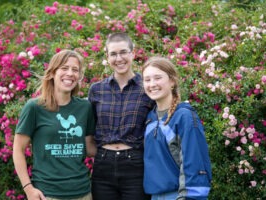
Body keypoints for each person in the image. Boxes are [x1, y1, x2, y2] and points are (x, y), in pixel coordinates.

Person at [13, 49, 97, 200]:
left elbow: (89, 148)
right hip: (47, 194)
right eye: (64, 68)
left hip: (83, 193)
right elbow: (18, 149)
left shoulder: (85, 107)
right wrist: (28, 189)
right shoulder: (35, 107)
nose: (70, 73)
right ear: (52, 73)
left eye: (75, 70)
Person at [88, 32, 155, 200]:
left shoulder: (146, 88)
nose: (119, 58)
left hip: (135, 165)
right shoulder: (96, 90)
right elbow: (90, 129)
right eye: (113, 54)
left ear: (132, 53)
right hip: (103, 165)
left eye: (123, 52)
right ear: (107, 57)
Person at [142, 57, 212, 200]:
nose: (152, 84)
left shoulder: (184, 117)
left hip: (179, 196)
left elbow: (194, 162)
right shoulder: (150, 119)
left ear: (172, 81)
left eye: (157, 78)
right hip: (155, 196)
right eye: (147, 80)